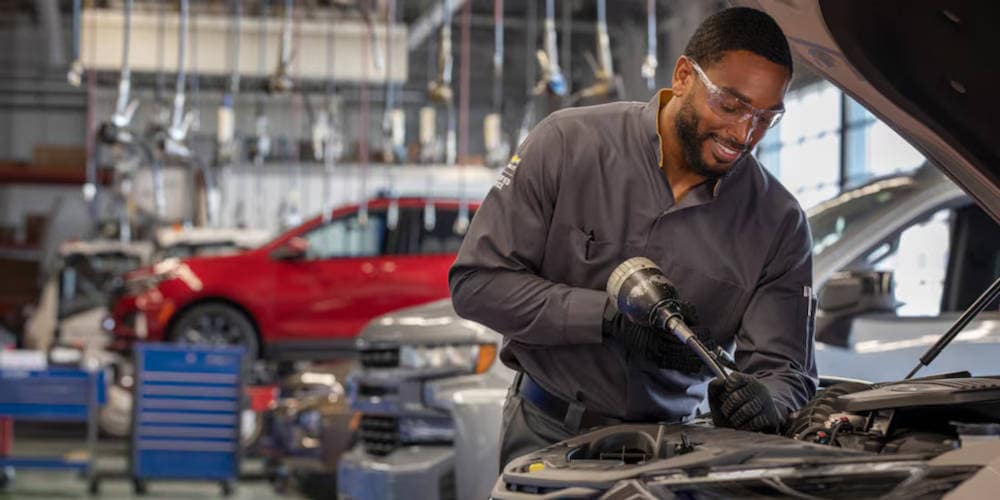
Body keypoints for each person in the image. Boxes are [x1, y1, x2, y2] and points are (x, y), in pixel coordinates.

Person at [449, 7, 817, 469]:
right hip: (546, 432)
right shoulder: (567, 144)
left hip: (674, 453)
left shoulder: (777, 222)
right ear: (684, 75)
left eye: (766, 118)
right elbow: (477, 285)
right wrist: (605, 318)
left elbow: (787, 371)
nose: (743, 134)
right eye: (730, 104)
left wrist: (766, 401)